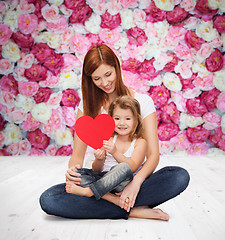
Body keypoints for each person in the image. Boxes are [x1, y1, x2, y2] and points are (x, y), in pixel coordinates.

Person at [40, 44, 190, 220]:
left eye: (108, 74)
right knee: (49, 199)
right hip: (97, 179)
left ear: (117, 68)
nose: (104, 83)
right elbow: (77, 157)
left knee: (179, 176)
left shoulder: (142, 102)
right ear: (90, 80)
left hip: (131, 178)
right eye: (97, 79)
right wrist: (73, 171)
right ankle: (130, 209)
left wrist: (135, 183)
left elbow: (153, 156)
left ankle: (115, 202)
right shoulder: (87, 106)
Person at [65, 96, 148, 211]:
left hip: (121, 184)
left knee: (123, 167)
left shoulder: (139, 143)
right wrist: (99, 159)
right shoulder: (108, 139)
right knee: (74, 173)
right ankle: (108, 197)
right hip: (102, 180)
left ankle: (89, 192)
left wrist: (115, 152)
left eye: (128, 119)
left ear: (136, 120)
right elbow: (97, 170)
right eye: (117, 118)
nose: (122, 123)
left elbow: (132, 167)